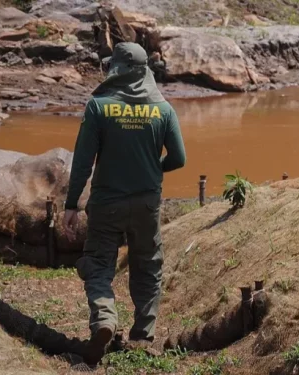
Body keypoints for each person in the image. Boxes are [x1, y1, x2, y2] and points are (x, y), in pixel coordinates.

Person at [63, 42, 186, 366]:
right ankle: (143, 334)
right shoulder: (164, 109)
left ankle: (104, 319)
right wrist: (153, 168)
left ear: (115, 69)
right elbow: (179, 158)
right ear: (144, 71)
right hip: (147, 203)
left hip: (107, 204)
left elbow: (83, 161)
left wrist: (72, 203)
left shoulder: (99, 106)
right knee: (148, 265)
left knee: (99, 264)